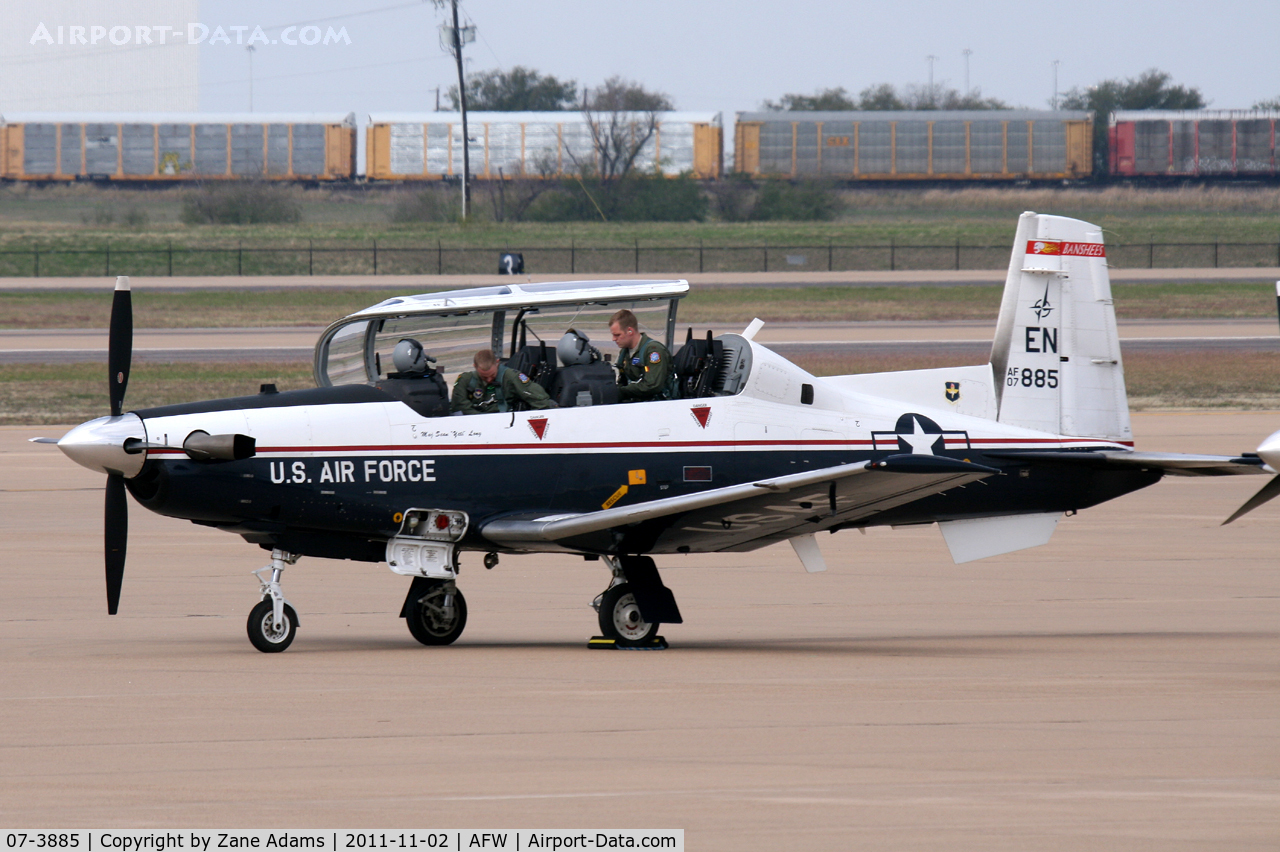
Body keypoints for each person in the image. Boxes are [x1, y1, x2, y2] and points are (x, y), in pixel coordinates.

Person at [452, 348, 554, 414]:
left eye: (492, 375)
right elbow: (458, 408)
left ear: (497, 363)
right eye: (484, 377)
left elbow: (540, 400)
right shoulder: (465, 380)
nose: (489, 380)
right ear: (475, 367)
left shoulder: (512, 377)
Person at [609, 309, 671, 402]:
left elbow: (652, 385)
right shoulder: (624, 353)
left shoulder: (653, 351)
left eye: (617, 335)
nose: (614, 339)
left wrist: (621, 392)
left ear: (630, 331)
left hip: (658, 403)